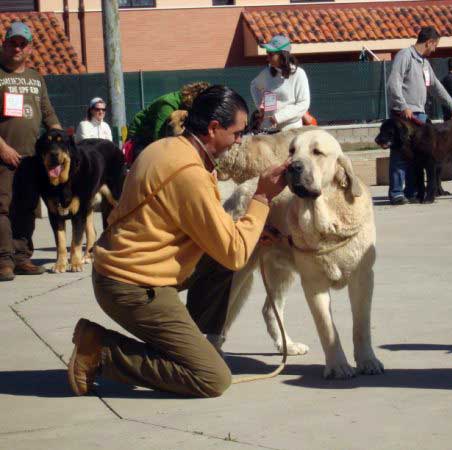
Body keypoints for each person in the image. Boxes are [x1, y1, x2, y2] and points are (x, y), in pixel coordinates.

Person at [67, 85, 290, 398]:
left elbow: (205, 231)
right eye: (237, 133)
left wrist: (246, 230)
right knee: (212, 379)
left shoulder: (170, 148)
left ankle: (201, 344)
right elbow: (235, 253)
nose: (240, 141)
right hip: (131, 285)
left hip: (128, 271)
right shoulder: (189, 173)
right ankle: (101, 350)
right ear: (213, 129)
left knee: (222, 256)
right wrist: (263, 196)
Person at [0, 21, 61, 282]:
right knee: (2, 208)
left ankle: (22, 257)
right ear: (5, 44)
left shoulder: (36, 78)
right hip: (3, 157)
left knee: (27, 208)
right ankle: (4, 261)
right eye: (13, 42)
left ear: (30, 49)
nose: (17, 48)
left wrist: (57, 139)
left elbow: (48, 113)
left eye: (22, 44)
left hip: (32, 159)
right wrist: (2, 148)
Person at [387, 26, 452, 205]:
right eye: (435, 45)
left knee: (416, 157)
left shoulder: (424, 63)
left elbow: (436, 87)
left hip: (420, 116)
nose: (435, 49)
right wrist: (403, 106)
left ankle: (412, 191)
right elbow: (394, 83)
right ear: (429, 42)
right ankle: (396, 193)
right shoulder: (405, 56)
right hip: (403, 115)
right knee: (400, 154)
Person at [125, 81, 210, 164]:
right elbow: (158, 136)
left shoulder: (186, 104)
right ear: (195, 98)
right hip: (140, 135)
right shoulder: (168, 104)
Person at [250, 34, 310, 132]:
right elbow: (254, 86)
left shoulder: (299, 74)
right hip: (268, 131)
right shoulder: (266, 73)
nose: (267, 58)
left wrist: (278, 117)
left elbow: (303, 104)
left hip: (290, 132)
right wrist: (260, 108)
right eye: (267, 54)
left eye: (271, 54)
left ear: (282, 55)